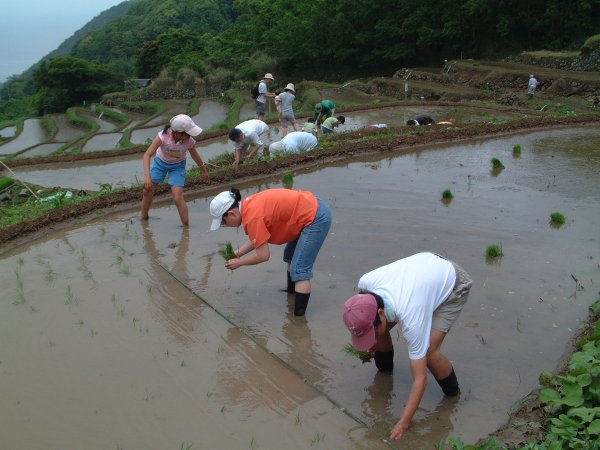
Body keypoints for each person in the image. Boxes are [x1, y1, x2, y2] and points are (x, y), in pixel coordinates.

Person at [342, 252, 472, 440]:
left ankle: (453, 397)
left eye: (371, 333)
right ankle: (385, 374)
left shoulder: (411, 317)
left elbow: (420, 380)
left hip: (453, 283)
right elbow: (371, 322)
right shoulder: (365, 285)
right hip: (423, 272)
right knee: (381, 331)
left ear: (381, 312)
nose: (371, 339)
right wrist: (370, 342)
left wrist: (403, 423)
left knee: (429, 352)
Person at [209, 188, 332, 316]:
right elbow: (257, 238)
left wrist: (239, 262)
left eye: (223, 222)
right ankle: (291, 296)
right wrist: (238, 253)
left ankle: (298, 321)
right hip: (309, 208)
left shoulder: (253, 217)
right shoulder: (248, 206)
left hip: (315, 217)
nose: (225, 225)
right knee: (290, 256)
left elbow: (263, 256)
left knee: (300, 269)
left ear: (232, 214)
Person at [140, 114, 209, 226]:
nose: (190, 136)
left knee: (177, 196)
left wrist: (204, 171)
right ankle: (143, 216)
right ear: (178, 133)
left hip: (178, 166)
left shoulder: (189, 141)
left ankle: (186, 225)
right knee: (147, 190)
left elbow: (195, 156)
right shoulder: (163, 137)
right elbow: (147, 155)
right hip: (160, 163)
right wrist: (147, 177)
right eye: (188, 133)